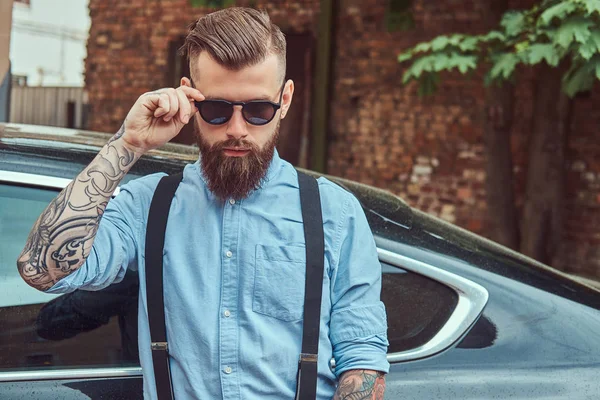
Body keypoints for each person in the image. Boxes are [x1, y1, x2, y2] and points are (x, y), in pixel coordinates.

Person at [17, 7, 388, 400]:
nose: (236, 129)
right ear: (190, 97)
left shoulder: (335, 212)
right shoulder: (149, 205)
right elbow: (42, 269)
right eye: (216, 109)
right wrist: (127, 145)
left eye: (259, 110)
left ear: (286, 98)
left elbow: (362, 357)